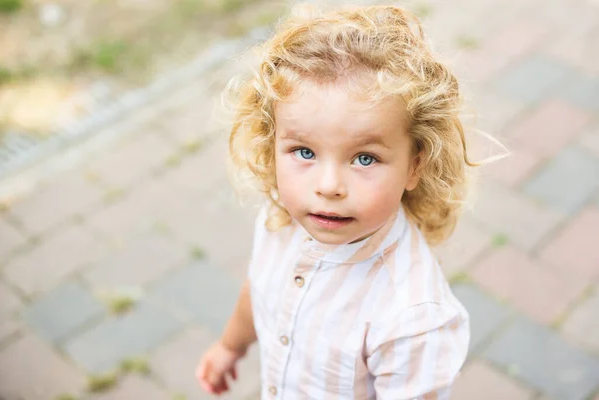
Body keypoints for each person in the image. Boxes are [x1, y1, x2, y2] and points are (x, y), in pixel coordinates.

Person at [196, 3, 476, 399]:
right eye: (304, 152)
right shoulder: (282, 220)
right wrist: (231, 345)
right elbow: (260, 287)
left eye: (365, 158)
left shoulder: (412, 318)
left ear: (415, 165)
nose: (328, 186)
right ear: (271, 143)